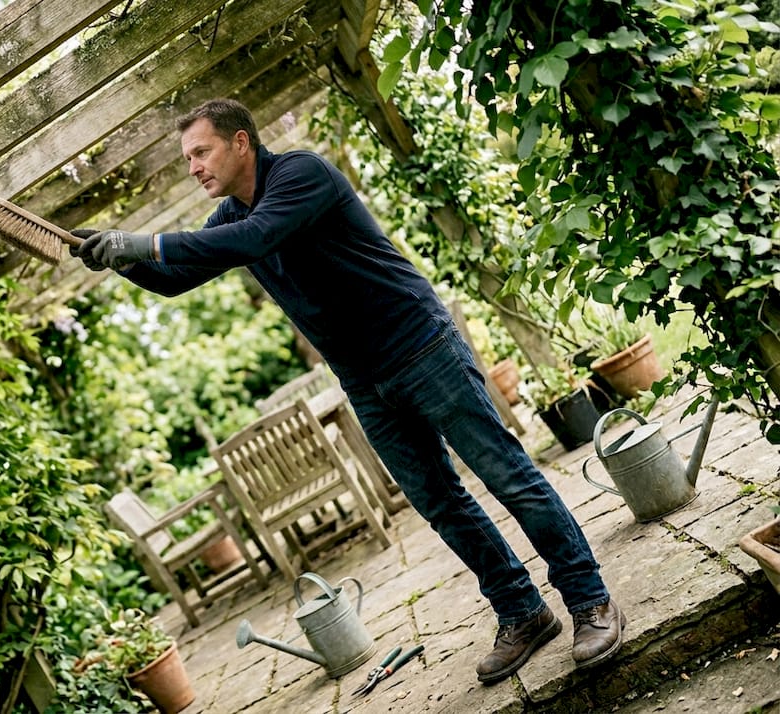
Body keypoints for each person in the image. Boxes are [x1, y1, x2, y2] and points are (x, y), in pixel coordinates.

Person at [69, 98, 624, 684]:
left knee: (507, 475)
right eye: (187, 159)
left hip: (420, 346)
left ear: (241, 142)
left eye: (201, 152)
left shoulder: (300, 174)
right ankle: (521, 611)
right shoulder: (229, 216)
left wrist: (143, 243)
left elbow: (255, 239)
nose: (193, 168)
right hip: (363, 378)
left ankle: (589, 600)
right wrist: (116, 257)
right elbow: (178, 276)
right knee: (440, 504)